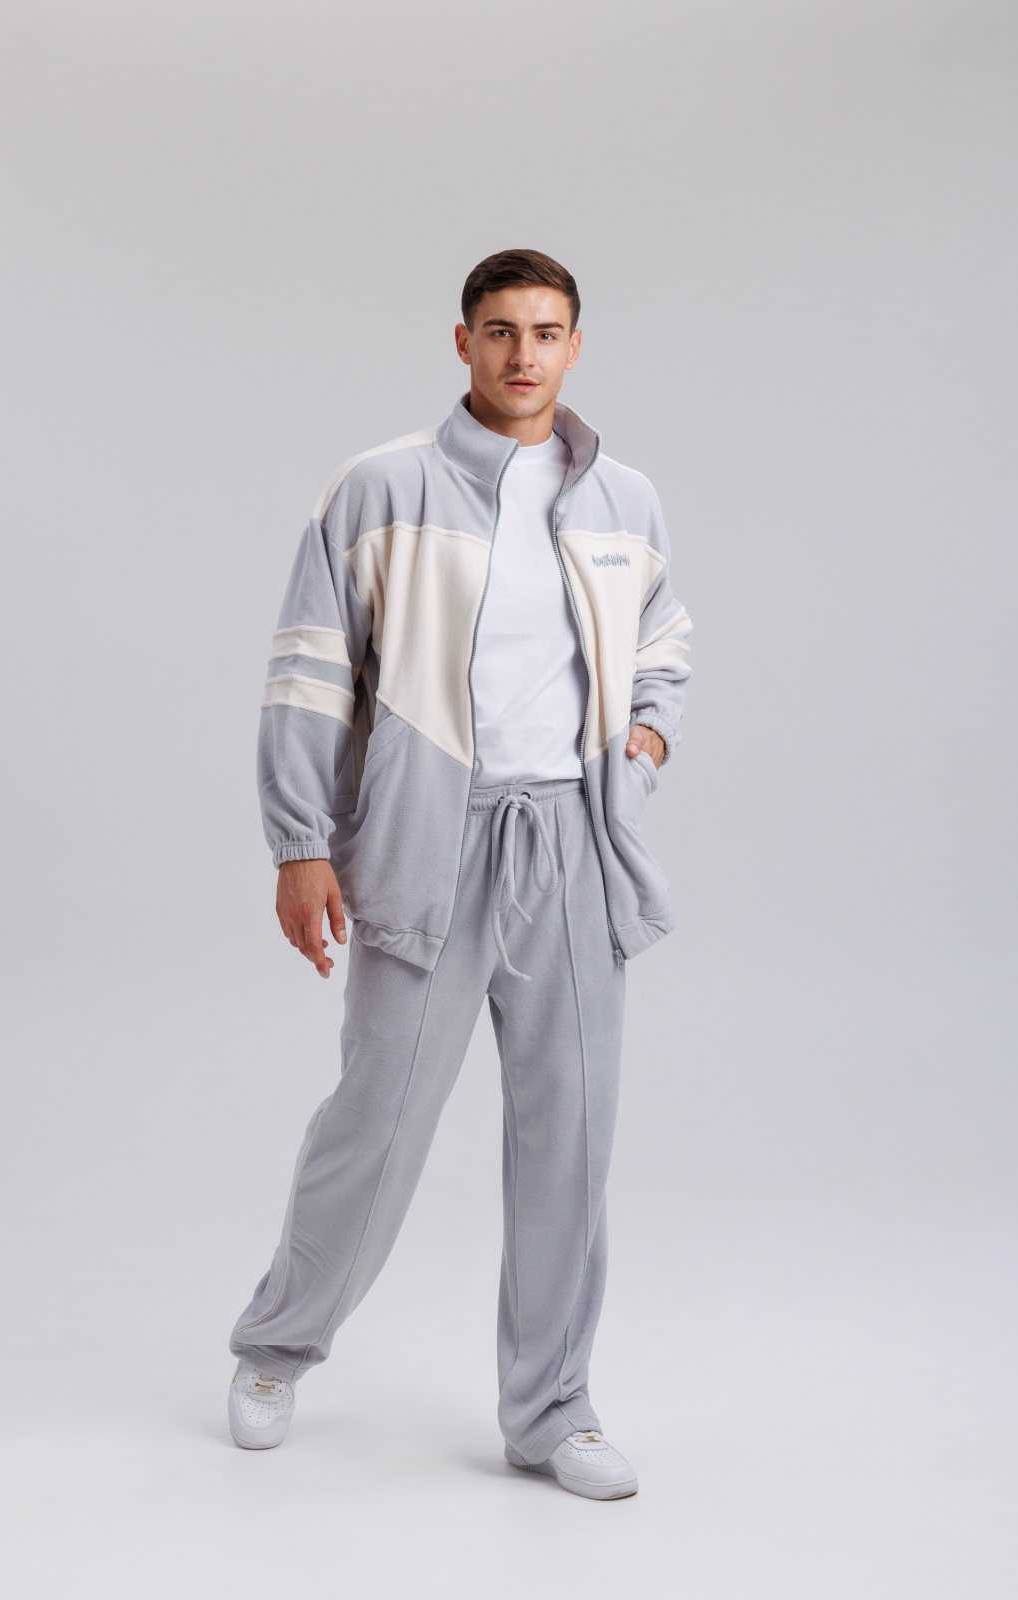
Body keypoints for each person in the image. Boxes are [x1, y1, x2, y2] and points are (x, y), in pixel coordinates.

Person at [227, 249, 692, 1500]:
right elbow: (310, 669)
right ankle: (275, 1346)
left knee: (568, 1142)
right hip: (426, 843)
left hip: (571, 845)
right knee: (375, 1122)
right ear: (462, 342)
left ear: (574, 345)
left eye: (544, 332)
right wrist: (299, 845)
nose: (521, 354)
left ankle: (552, 1412)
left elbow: (663, 639)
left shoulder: (625, 499)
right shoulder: (381, 487)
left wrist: (643, 745)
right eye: (499, 330)